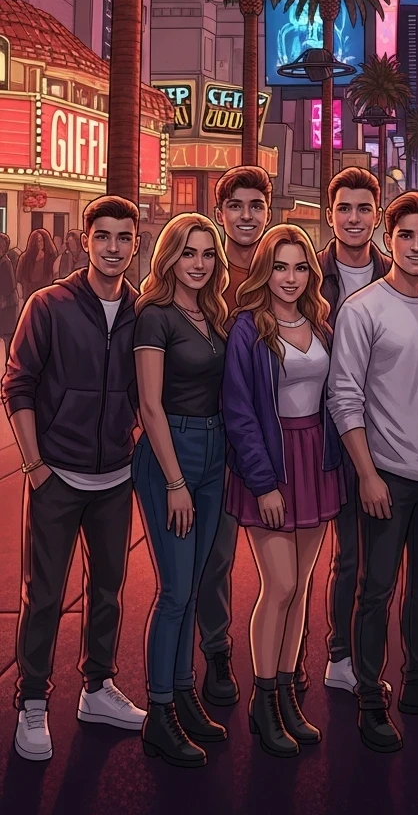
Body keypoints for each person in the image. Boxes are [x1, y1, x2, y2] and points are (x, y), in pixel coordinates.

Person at [2, 196, 147, 763]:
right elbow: (17, 385)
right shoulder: (49, 305)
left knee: (108, 591)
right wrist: (35, 465)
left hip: (115, 477)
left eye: (123, 238)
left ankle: (98, 688)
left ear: (135, 245)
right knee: (43, 596)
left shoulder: (143, 311)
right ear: (86, 241)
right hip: (56, 474)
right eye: (103, 236)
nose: (113, 247)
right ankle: (32, 703)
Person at [327, 191, 418, 754]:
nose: (415, 245)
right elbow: (344, 396)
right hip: (386, 475)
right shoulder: (361, 309)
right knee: (375, 589)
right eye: (405, 235)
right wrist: (367, 474)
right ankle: (369, 700)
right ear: (389, 241)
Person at [223, 225, 344, 758]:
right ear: (264, 271)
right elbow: (239, 410)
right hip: (271, 464)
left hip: (315, 459)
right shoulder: (247, 328)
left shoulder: (320, 320)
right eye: (279, 267)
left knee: (301, 587)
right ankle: (263, 699)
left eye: (299, 267)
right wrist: (263, 482)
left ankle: (289, 695)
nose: (290, 278)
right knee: (279, 585)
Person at [132, 215, 231, 768]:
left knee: (193, 586)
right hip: (173, 452)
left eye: (207, 254)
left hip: (215, 452)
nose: (198, 264)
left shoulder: (212, 312)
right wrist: (174, 481)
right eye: (188, 253)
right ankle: (159, 713)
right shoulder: (156, 316)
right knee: (173, 590)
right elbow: (149, 405)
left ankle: (185, 694)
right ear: (168, 257)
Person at [309, 167, 388, 697]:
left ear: (377, 214)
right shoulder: (307, 273)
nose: (354, 218)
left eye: (363, 208)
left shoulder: (398, 270)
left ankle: (369, 656)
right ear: (330, 214)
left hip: (388, 433)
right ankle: (337, 655)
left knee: (379, 558)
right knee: (345, 554)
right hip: (321, 434)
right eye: (344, 208)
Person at [197, 165, 272, 708]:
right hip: (216, 435)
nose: (246, 216)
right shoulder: (202, 272)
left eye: (256, 206)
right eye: (236, 206)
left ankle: (284, 667)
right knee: (216, 555)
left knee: (285, 562)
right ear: (221, 212)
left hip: (277, 435)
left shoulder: (285, 269)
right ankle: (217, 651)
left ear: (268, 212)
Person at [16, 228, 58, 303]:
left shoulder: (50, 258)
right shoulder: (24, 257)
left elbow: (55, 276)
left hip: (45, 294)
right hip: (29, 295)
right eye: (38, 241)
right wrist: (20, 296)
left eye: (42, 240)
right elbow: (19, 277)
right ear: (33, 242)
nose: (41, 243)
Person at [0, 232, 18, 357]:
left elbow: (9, 288)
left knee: (8, 341)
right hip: (4, 307)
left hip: (6, 308)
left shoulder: (5, 263)